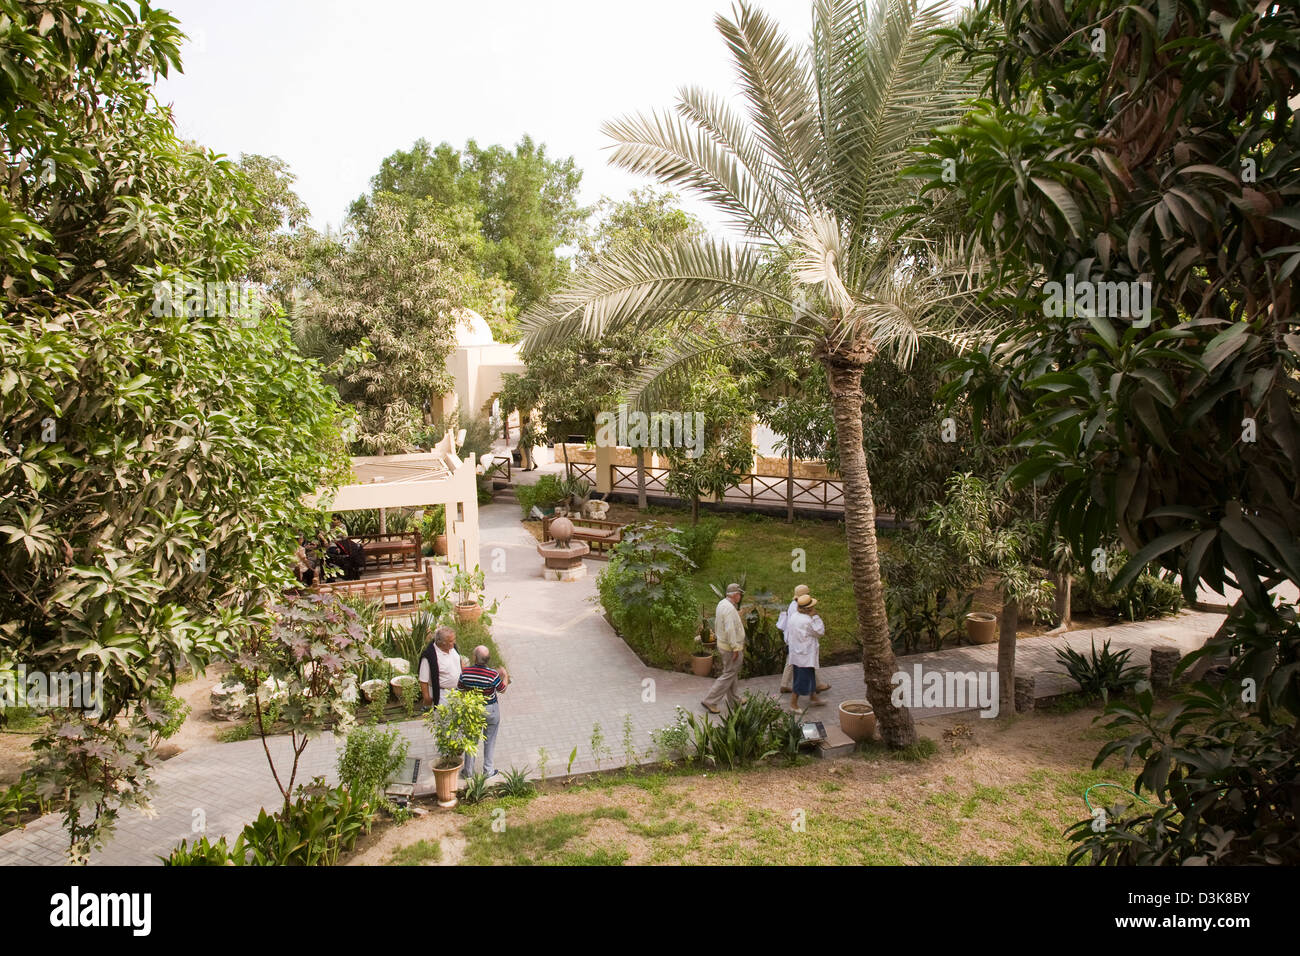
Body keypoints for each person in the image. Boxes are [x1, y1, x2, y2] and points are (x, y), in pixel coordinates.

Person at [458, 645, 509, 779]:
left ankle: (468, 772)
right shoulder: (493, 674)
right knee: (490, 740)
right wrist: (505, 675)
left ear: (475, 658)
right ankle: (488, 770)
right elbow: (502, 689)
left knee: (471, 740)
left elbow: (460, 689)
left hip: (473, 710)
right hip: (490, 710)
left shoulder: (465, 672)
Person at [701, 583, 745, 715]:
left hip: (723, 644)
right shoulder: (729, 609)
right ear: (734, 595)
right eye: (739, 594)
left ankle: (734, 700)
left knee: (731, 672)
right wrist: (735, 648)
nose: (740, 596)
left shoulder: (722, 604)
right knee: (728, 674)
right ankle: (710, 700)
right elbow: (730, 629)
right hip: (730, 647)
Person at [778, 585, 831, 694]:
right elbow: (818, 631)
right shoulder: (800, 612)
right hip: (801, 641)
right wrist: (815, 617)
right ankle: (815, 686)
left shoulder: (793, 605)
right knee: (807, 661)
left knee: (792, 661)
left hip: (794, 639)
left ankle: (785, 684)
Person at [786, 593, 826, 711]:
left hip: (797, 652)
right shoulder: (808, 620)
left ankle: (813, 697)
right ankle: (793, 704)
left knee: (809, 675)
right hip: (805, 654)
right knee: (802, 679)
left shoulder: (794, 616)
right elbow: (820, 632)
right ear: (809, 609)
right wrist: (816, 617)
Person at [418, 625, 463, 709]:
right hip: (442, 695)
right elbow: (423, 680)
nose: (454, 642)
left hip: (457, 692)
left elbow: (459, 661)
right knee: (444, 721)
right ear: (442, 642)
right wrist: (427, 698)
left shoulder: (453, 648)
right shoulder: (429, 656)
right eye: (451, 641)